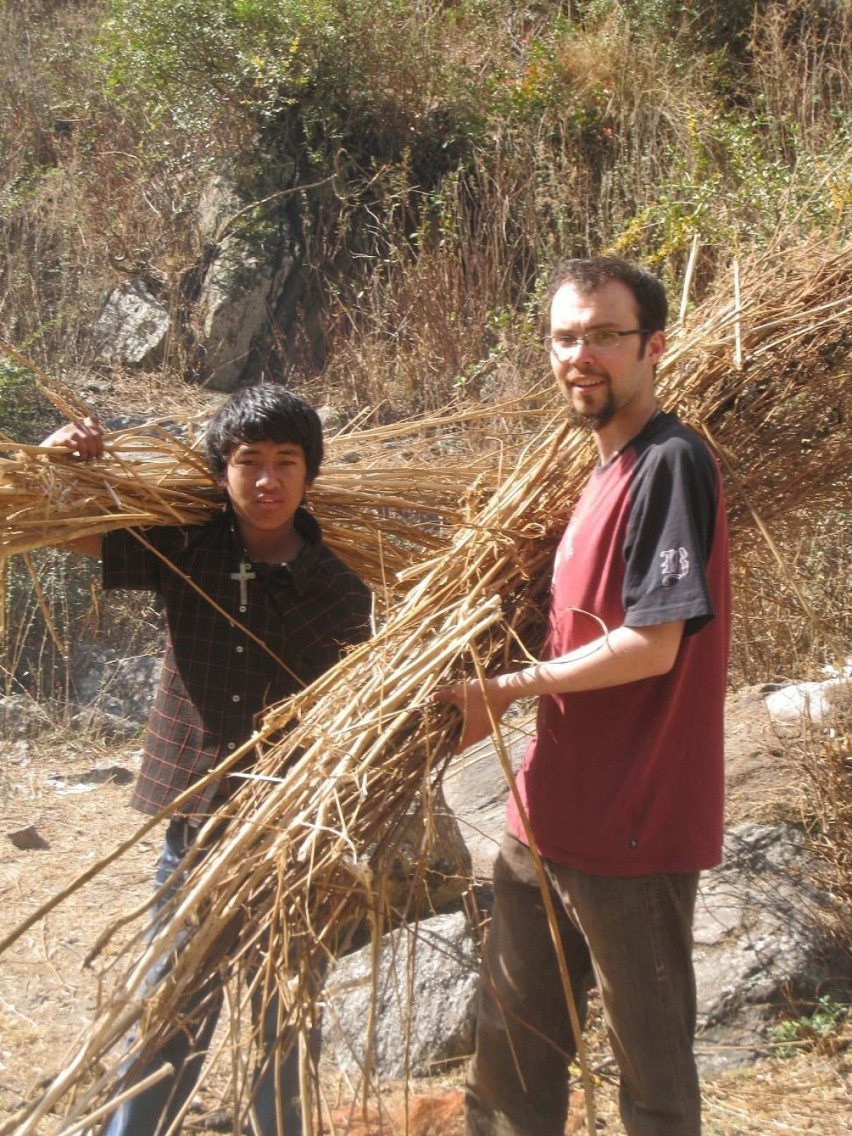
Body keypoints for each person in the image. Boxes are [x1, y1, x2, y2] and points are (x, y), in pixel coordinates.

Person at [434, 256, 730, 1136]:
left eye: (606, 335)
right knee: (510, 1077)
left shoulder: (671, 463)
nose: (582, 355)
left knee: (654, 1092)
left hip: (630, 835)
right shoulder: (599, 472)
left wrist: (505, 689)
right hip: (548, 822)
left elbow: (651, 644)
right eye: (567, 337)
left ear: (654, 347)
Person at [42, 382, 373, 1136]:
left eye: (286, 462)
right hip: (194, 828)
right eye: (248, 461)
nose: (267, 480)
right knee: (170, 1007)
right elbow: (63, 528)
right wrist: (62, 465)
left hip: (293, 839)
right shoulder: (185, 547)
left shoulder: (341, 590)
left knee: (283, 1019)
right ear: (221, 472)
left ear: (310, 475)